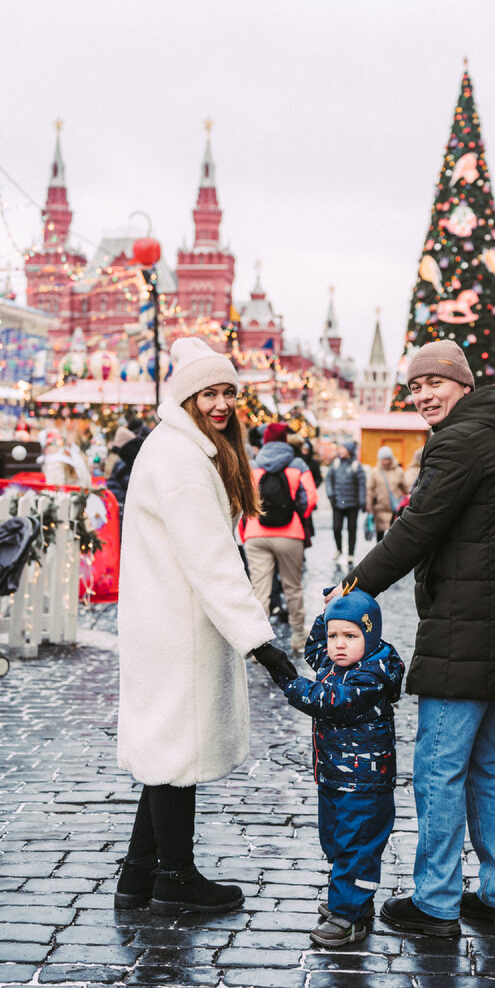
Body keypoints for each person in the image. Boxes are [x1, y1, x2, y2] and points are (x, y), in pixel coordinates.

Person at [327, 339, 495, 937]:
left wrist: (357, 584)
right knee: (488, 767)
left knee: (439, 769)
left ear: (463, 385)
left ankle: (436, 902)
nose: (424, 395)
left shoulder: (458, 441)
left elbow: (416, 528)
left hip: (463, 632)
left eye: (436, 384)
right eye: (416, 387)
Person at [115, 337, 279, 916]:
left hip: (164, 620)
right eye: (208, 392)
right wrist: (264, 645)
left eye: (228, 392)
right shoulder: (182, 460)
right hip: (177, 625)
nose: (221, 404)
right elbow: (213, 561)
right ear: (185, 396)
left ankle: (139, 875)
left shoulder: (177, 449)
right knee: (176, 751)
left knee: (166, 751)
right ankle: (176, 877)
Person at [257, 587, 404, 948]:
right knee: (336, 843)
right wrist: (329, 613)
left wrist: (287, 679)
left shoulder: (370, 674)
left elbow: (329, 701)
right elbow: (314, 649)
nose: (338, 644)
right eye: (334, 636)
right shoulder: (337, 662)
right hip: (334, 778)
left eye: (350, 636)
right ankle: (352, 905)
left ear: (369, 637)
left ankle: (350, 916)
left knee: (356, 848)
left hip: (366, 786)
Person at [242, 422, 317, 653]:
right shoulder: (297, 464)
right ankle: (297, 637)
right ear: (285, 440)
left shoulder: (253, 465)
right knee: (293, 587)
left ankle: (260, 646)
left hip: (256, 534)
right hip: (290, 533)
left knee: (259, 590)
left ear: (264, 441)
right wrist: (298, 516)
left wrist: (251, 522)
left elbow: (242, 498)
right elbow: (311, 497)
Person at [326, 441, 366, 569]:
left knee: (352, 529)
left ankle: (350, 554)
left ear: (349, 450)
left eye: (343, 448)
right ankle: (339, 549)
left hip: (352, 504)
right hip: (337, 502)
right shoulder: (336, 464)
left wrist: (362, 501)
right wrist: (331, 494)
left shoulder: (356, 465)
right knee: (336, 528)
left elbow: (361, 485)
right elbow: (328, 480)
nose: (340, 451)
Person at [366, 446, 406, 542]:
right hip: (380, 508)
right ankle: (379, 555)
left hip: (395, 509)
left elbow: (406, 488)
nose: (386, 462)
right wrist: (369, 506)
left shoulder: (399, 471)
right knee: (380, 535)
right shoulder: (375, 472)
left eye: (388, 459)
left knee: (394, 535)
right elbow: (370, 490)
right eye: (384, 459)